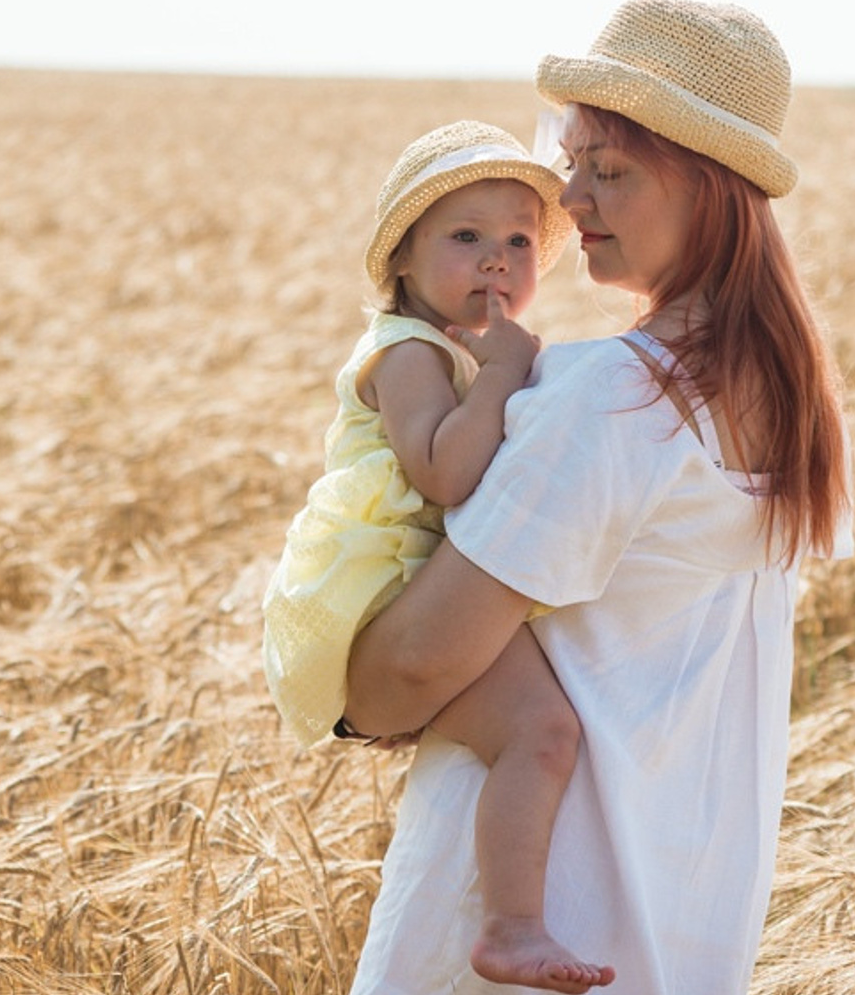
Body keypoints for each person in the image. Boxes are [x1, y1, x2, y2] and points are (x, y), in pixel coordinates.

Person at [342, 0, 855, 995]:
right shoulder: (796, 402)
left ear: (709, 188)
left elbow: (401, 673)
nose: (570, 202)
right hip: (673, 919)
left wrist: (343, 668)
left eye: (609, 171)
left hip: (515, 932)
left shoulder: (610, 393)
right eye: (572, 164)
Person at [261, 120, 614, 992]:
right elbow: (446, 473)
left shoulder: (457, 347)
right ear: (404, 265)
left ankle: (510, 919)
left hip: (430, 577)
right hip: (385, 588)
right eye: (466, 237)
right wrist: (504, 377)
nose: (498, 260)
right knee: (543, 731)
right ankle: (511, 929)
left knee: (546, 727)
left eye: (519, 242)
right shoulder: (410, 350)